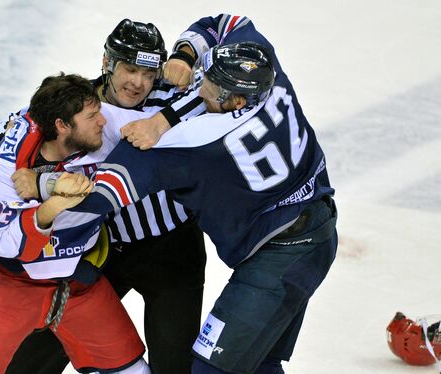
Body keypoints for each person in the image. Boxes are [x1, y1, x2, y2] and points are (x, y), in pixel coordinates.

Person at [70, 39, 338, 374]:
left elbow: (111, 187)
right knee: (259, 363)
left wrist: (46, 195)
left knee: (211, 369)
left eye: (210, 85)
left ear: (235, 100)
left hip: (280, 257)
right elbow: (229, 22)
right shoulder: (273, 79)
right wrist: (185, 55)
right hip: (318, 229)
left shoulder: (199, 141)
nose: (199, 89)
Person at [4, 19, 207, 374]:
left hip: (175, 250)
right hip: (107, 250)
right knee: (38, 352)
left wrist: (187, 55)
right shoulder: (78, 105)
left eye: (148, 72)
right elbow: (36, 140)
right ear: (107, 62)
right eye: (130, 69)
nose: (139, 83)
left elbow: (222, 33)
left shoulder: (170, 94)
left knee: (174, 366)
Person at [0, 73, 154, 374]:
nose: (102, 121)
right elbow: (4, 240)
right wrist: (52, 207)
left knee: (131, 370)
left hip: (79, 280)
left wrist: (44, 185)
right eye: (92, 116)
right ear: (62, 125)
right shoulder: (0, 175)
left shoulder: (98, 127)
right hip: (8, 284)